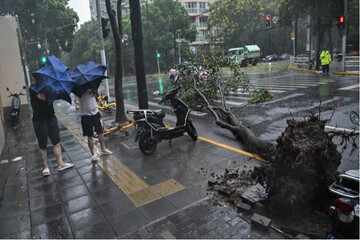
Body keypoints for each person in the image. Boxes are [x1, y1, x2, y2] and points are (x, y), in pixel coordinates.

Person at [30, 86, 74, 177]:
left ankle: (60, 164)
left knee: (56, 142)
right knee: (42, 145)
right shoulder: (33, 88)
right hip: (39, 121)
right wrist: (51, 93)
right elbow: (42, 97)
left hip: (51, 118)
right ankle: (45, 167)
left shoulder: (50, 88)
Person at [79, 89, 112, 162]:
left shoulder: (92, 86)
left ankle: (103, 149)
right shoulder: (79, 88)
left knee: (100, 132)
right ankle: (93, 154)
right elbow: (79, 95)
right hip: (85, 115)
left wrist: (95, 92)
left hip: (95, 113)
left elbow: (97, 97)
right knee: (89, 135)